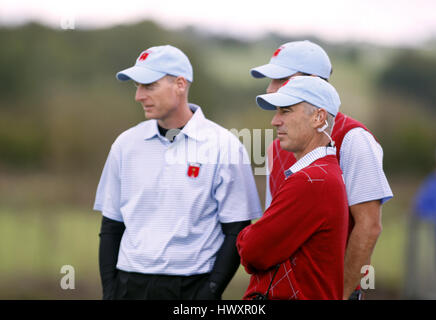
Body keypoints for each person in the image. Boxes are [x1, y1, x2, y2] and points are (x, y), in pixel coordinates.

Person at [93, 45, 262, 300]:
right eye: (137, 87)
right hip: (129, 284)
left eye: (149, 86)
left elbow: (236, 231)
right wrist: (110, 292)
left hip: (192, 287)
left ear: (180, 84)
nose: (139, 96)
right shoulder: (125, 144)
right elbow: (111, 226)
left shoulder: (224, 146)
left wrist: (210, 293)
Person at [250, 40, 393, 299]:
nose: (270, 89)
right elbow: (274, 230)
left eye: (280, 79)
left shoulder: (354, 138)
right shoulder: (275, 147)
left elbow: (369, 226)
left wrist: (343, 292)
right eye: (270, 80)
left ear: (314, 81)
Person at [237, 76, 349, 300]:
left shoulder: (311, 180)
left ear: (318, 117)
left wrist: (244, 236)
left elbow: (253, 251)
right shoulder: (320, 174)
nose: (275, 121)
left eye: (285, 111)